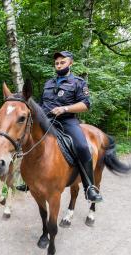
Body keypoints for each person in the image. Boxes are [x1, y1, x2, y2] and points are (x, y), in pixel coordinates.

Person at [40, 51, 103, 203]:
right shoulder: (48, 83)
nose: (59, 65)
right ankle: (29, 180)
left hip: (67, 121)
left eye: (62, 62)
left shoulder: (78, 82)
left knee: (82, 146)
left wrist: (65, 109)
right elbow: (42, 104)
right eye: (56, 63)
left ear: (70, 63)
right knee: (27, 139)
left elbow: (85, 104)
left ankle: (89, 187)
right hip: (47, 121)